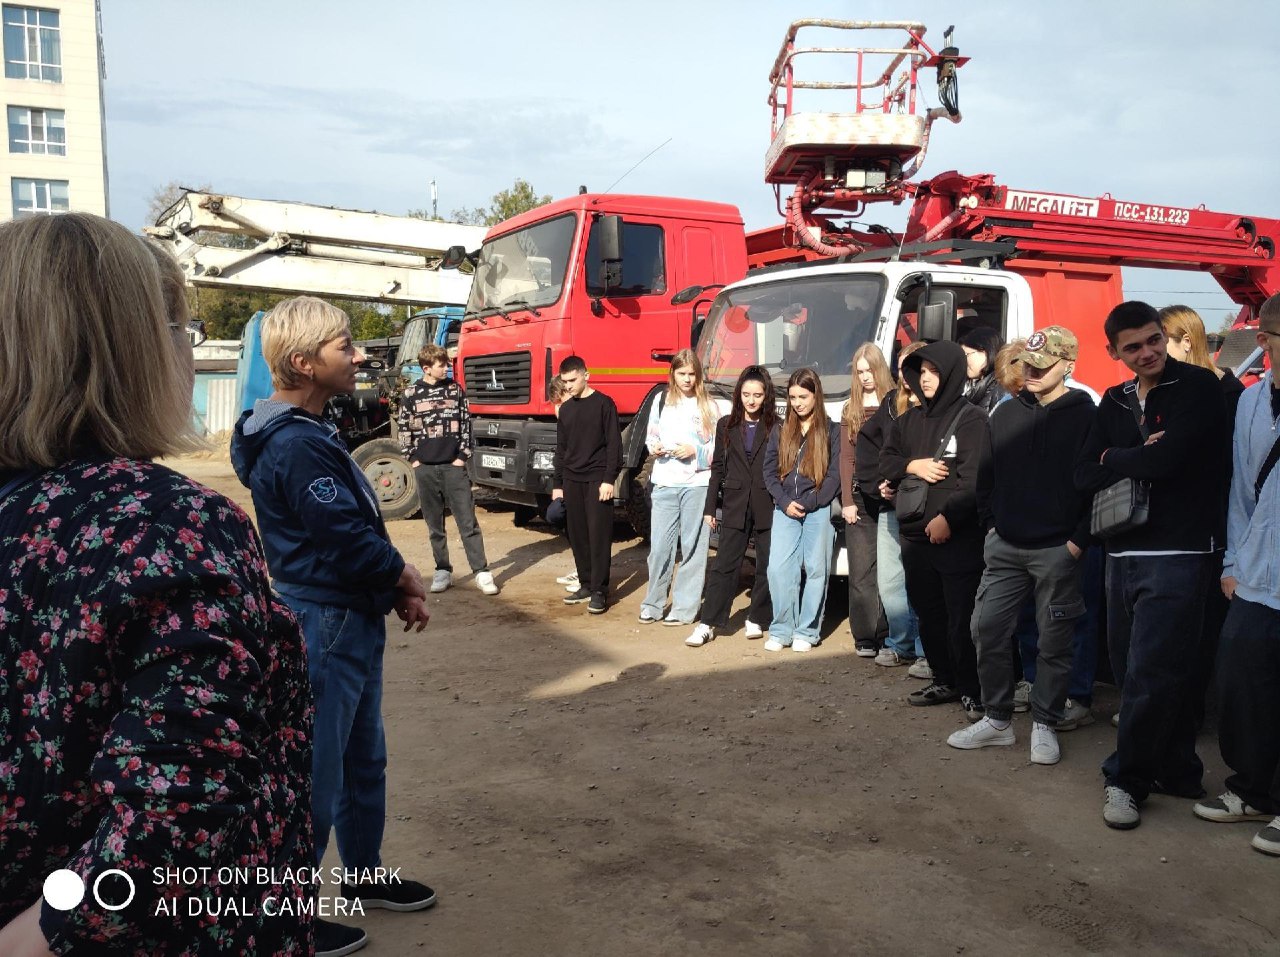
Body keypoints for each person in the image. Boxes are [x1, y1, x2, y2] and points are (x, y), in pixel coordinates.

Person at [0, 214, 314, 956]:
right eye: (181, 325)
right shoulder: (163, 522)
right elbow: (174, 816)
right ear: (132, 348)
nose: (188, 345)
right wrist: (42, 933)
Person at [231, 296, 434, 957]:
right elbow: (346, 539)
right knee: (316, 770)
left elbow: (345, 537)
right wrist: (403, 576)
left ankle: (364, 872)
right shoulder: (292, 443)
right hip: (324, 622)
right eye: (344, 346)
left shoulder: (303, 428)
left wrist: (385, 588)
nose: (358, 355)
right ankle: (292, 915)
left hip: (347, 615)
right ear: (303, 362)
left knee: (361, 757)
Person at [1075, 300, 1228, 830]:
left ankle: (1127, 780)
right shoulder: (1115, 399)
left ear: (1165, 336)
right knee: (1130, 670)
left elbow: (1168, 461)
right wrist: (1133, 454)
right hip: (1121, 550)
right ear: (1113, 352)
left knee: (1150, 672)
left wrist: (1115, 456)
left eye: (1153, 341)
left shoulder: (1199, 388)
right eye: (1132, 347)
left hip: (1182, 553)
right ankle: (1178, 769)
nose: (1147, 353)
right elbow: (1082, 473)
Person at [947, 328, 1096, 765]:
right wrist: (992, 526)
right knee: (986, 628)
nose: (1031, 371)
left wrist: (1077, 541)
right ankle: (997, 720)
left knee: (1054, 639)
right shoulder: (1005, 414)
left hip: (1059, 549)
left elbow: (1100, 487)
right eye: (1028, 363)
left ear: (1069, 365)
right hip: (1006, 545)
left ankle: (1046, 722)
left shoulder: (1088, 416)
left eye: (1043, 364)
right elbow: (986, 477)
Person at [1194, 291, 1280, 856]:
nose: (1265, 348)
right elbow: (1241, 493)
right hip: (1256, 574)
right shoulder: (1250, 403)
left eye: (1271, 338)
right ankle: (1251, 788)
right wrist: (1231, 561)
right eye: (1269, 339)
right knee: (1242, 685)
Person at [880, 340, 992, 720]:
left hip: (957, 538)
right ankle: (944, 679)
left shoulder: (972, 418)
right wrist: (914, 466)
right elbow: (888, 461)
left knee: (962, 617)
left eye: (934, 372)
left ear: (952, 374)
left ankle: (974, 690)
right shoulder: (909, 420)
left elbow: (976, 481)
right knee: (929, 613)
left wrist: (948, 518)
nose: (925, 379)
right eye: (921, 372)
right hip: (915, 537)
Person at [1159, 303, 1245, 727]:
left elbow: (1236, 469)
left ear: (1185, 341)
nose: (1151, 354)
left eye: (1161, 341)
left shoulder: (1231, 396)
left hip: (1217, 530)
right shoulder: (1162, 391)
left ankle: (1192, 713)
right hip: (1174, 527)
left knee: (1202, 628)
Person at [687, 365, 778, 646]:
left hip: (767, 503)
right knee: (725, 565)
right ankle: (708, 623)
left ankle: (757, 617)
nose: (751, 400)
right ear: (739, 394)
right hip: (735, 503)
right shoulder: (725, 424)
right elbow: (717, 468)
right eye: (747, 394)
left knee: (767, 564)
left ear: (766, 396)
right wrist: (709, 508)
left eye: (758, 395)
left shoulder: (777, 426)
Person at [398, 343, 499, 596]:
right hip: (425, 470)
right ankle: (443, 570)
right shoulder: (411, 394)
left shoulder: (455, 391)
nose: (446, 369)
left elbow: (466, 425)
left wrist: (462, 457)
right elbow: (404, 430)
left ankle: (481, 572)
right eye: (441, 365)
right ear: (426, 368)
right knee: (435, 525)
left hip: (454, 468)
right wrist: (414, 460)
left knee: (468, 522)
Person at [858, 340, 926, 672]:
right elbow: (871, 450)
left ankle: (927, 650)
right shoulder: (889, 402)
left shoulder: (941, 407)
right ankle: (900, 644)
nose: (905, 373)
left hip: (925, 507)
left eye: (912, 366)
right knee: (890, 581)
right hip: (890, 506)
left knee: (923, 581)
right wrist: (879, 485)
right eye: (901, 366)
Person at [762, 368, 841, 652]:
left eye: (803, 396)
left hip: (817, 509)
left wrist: (809, 503)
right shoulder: (781, 430)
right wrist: (784, 502)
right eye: (793, 397)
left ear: (815, 395)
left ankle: (806, 632)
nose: (798, 403)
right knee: (779, 569)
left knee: (817, 570)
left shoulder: (833, 430)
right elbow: (769, 472)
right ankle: (782, 629)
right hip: (784, 508)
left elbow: (834, 476)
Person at [639, 350, 718, 627]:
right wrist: (655, 447)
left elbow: (717, 451)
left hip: (697, 484)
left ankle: (684, 608)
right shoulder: (661, 400)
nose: (686, 379)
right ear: (673, 373)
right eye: (681, 373)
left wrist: (693, 450)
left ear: (698, 375)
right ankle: (653, 602)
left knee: (694, 547)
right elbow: (651, 434)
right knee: (660, 546)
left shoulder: (708, 404)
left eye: (691, 374)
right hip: (664, 482)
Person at [552, 355, 623, 615]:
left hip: (597, 480)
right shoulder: (566, 409)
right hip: (571, 480)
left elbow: (614, 444)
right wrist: (557, 483)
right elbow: (561, 448)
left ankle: (599, 591)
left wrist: (608, 479)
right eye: (565, 381)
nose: (568, 385)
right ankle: (584, 584)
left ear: (586, 375)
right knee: (578, 535)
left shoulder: (604, 404)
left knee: (598, 537)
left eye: (572, 380)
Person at [840, 343, 894, 656]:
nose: (865, 377)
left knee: (890, 573)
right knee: (861, 571)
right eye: (859, 372)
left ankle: (888, 634)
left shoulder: (895, 402)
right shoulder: (851, 408)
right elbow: (846, 459)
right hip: (860, 497)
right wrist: (846, 499)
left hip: (888, 496)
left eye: (869, 370)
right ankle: (864, 636)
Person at [960, 326, 1007, 414]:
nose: (963, 360)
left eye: (967, 354)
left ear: (985, 352)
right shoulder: (984, 388)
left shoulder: (1000, 391)